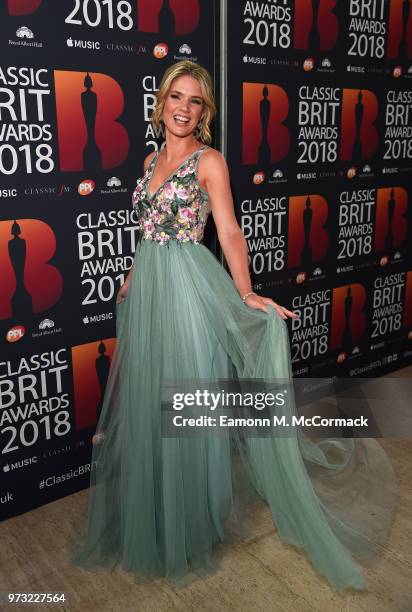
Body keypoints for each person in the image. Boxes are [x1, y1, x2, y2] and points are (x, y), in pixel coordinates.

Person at [67, 61, 397, 592]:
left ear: (205, 111)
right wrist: (132, 276)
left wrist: (244, 293)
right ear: (162, 101)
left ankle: (192, 522)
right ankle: (158, 513)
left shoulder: (209, 161)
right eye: (176, 96)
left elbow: (228, 231)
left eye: (194, 101)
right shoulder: (150, 158)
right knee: (151, 404)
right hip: (150, 292)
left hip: (189, 294)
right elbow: (149, 229)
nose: (183, 107)